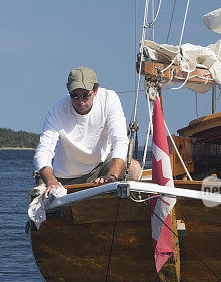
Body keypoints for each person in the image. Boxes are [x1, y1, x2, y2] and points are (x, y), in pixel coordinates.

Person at [34, 66, 142, 198]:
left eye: (85, 95)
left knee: (134, 168)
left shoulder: (109, 98)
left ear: (95, 90)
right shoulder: (58, 110)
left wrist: (112, 175)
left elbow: (119, 139)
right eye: (75, 96)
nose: (80, 101)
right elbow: (43, 152)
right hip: (68, 177)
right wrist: (51, 181)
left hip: (102, 164)